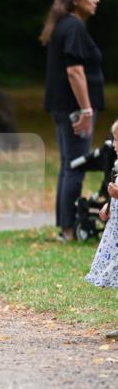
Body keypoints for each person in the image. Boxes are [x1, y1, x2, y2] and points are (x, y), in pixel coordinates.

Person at [41, 0, 105, 242]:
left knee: (69, 165)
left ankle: (66, 228)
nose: (96, 0)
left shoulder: (64, 24)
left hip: (64, 108)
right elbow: (74, 72)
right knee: (75, 166)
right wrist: (86, 110)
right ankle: (68, 230)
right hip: (74, 110)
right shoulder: (74, 27)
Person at [85, 119, 118, 290]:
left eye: (117, 140)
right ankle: (107, 277)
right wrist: (108, 204)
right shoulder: (117, 165)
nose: (113, 144)